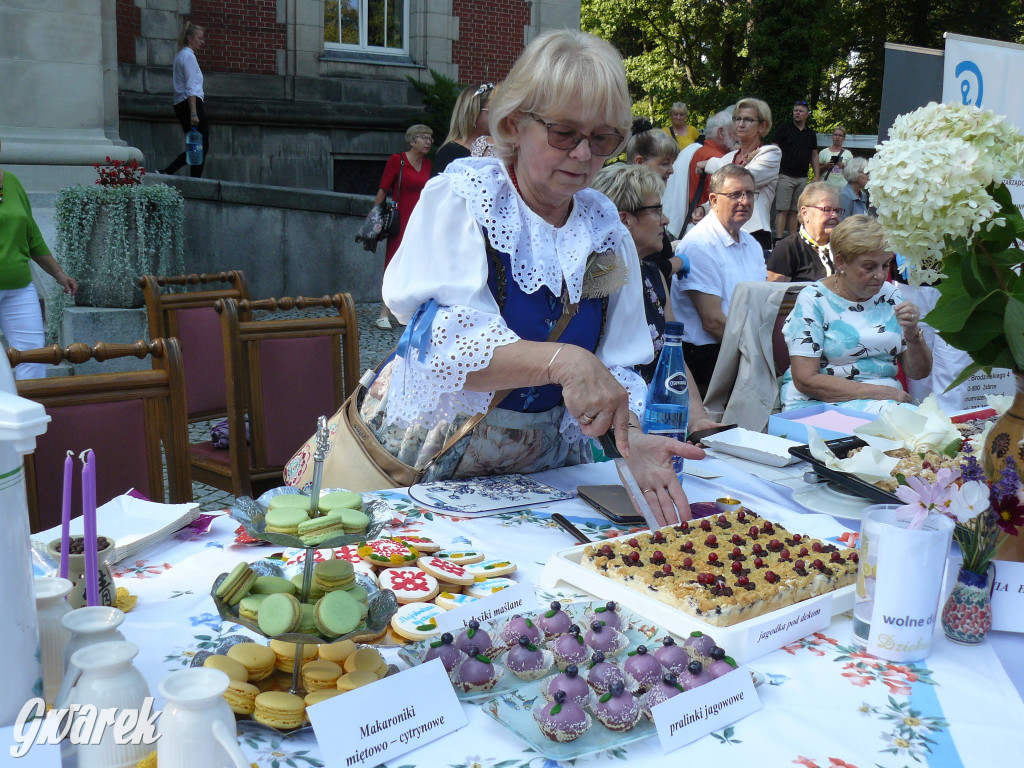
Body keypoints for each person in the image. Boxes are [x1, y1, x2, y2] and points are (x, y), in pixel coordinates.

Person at [365, 30, 703, 524]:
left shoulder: (604, 230)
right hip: (435, 454)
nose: (584, 155)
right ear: (514, 123)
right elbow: (443, 350)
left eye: (602, 138)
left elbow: (613, 363)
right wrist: (565, 362)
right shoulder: (466, 200)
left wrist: (630, 435)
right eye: (564, 133)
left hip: (545, 468)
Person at [591, 163, 721, 434]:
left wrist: (698, 420)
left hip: (661, 418)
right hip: (611, 428)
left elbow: (672, 355)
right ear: (624, 219)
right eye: (656, 210)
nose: (666, 220)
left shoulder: (653, 275)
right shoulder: (592, 282)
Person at [779, 215, 932, 413]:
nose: (880, 275)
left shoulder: (891, 295)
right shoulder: (814, 300)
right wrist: (884, 393)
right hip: (819, 404)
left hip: (885, 404)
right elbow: (805, 380)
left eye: (886, 265)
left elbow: (919, 372)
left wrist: (913, 336)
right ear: (841, 262)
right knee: (913, 424)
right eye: (869, 267)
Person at [670, 165, 767, 395]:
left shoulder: (751, 244)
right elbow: (712, 321)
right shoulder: (700, 245)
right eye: (735, 195)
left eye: (750, 194)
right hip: (706, 356)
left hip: (741, 346)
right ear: (713, 200)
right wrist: (757, 356)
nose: (744, 201)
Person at [0, 140, 78, 379]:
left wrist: (59, 274)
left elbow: (32, 236)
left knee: (34, 358)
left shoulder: (12, 182)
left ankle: (32, 414)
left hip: (18, 288)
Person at [372, 124, 433, 329]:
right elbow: (383, 190)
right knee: (393, 264)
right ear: (412, 140)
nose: (428, 141)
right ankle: (384, 313)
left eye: (430, 138)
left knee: (418, 265)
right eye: (423, 137)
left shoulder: (428, 165)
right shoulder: (397, 160)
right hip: (400, 220)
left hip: (421, 221)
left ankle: (411, 312)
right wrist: (374, 219)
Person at [701, 98, 780, 253]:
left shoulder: (770, 153)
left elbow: (743, 179)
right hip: (726, 231)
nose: (740, 124)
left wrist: (710, 164)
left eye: (748, 120)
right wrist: (703, 209)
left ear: (762, 126)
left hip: (755, 233)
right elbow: (725, 194)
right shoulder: (728, 158)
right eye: (737, 119)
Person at [160, 22, 209, 178]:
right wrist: (194, 113)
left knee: (196, 144)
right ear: (189, 38)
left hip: (181, 104)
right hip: (190, 104)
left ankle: (171, 172)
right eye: (199, 38)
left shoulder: (181, 55)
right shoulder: (188, 56)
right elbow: (190, 88)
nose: (202, 42)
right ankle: (173, 173)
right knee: (201, 145)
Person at [765, 182, 842, 282]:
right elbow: (775, 294)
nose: (834, 216)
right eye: (827, 210)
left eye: (837, 211)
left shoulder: (843, 247)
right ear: (805, 213)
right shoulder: (788, 249)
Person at [772, 100, 821, 241]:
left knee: (795, 211)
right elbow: (773, 149)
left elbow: (814, 154)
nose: (797, 113)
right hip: (785, 175)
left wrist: (817, 176)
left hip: (802, 177)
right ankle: (778, 241)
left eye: (800, 111)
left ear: (806, 115)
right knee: (782, 210)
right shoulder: (784, 129)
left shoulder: (810, 134)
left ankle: (792, 242)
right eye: (795, 110)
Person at [430, 83, 494, 177]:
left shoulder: (500, 149)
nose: (498, 117)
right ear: (473, 114)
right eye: (492, 111)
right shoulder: (450, 152)